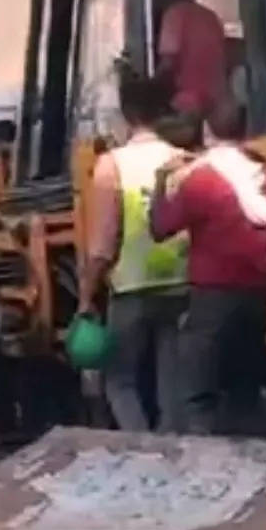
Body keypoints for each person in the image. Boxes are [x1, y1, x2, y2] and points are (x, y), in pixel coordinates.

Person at [151, 102, 266, 437]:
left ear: (208, 133)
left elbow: (160, 227)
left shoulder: (202, 180)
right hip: (258, 298)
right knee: (246, 388)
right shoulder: (264, 177)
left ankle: (205, 467)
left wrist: (161, 181)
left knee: (198, 391)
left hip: (212, 296)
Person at [77, 76, 188, 433]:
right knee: (171, 382)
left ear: (126, 113)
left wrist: (85, 295)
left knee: (119, 379)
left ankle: (140, 448)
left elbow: (103, 241)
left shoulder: (112, 165)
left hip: (132, 284)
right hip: (179, 283)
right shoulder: (183, 160)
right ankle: (174, 449)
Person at [152, 0, 227, 118]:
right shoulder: (210, 17)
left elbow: (168, 65)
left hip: (185, 106)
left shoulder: (173, 15)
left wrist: (147, 93)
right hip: (216, 105)